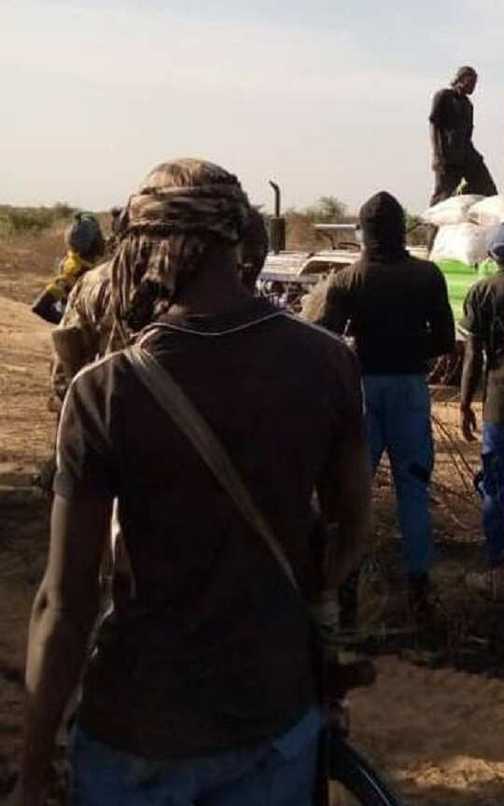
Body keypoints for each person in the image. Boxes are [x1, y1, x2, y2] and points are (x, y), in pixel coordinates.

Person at [13, 158, 371, 806]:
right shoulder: (328, 362)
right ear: (238, 240)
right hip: (275, 725)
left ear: (142, 247)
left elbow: (64, 602)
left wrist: (33, 770)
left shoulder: (105, 392)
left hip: (139, 733)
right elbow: (351, 533)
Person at [310, 192, 455, 614]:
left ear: (363, 234)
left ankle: (346, 585)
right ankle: (420, 588)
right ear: (400, 231)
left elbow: (324, 340)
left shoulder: (347, 280)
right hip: (409, 388)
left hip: (362, 391)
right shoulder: (428, 276)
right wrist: (410, 348)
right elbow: (445, 340)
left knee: (353, 491)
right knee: (413, 488)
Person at [50, 208, 269, 410]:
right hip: (173, 415)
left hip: (110, 407)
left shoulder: (93, 281)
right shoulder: (197, 283)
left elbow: (64, 367)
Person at [458, 223, 504, 597]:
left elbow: (473, 353)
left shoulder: (481, 291)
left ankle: (499, 567)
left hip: (499, 400)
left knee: (496, 486)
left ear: (491, 256)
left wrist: (466, 402)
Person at [430, 66, 498, 204]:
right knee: (442, 195)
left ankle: (462, 195)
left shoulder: (468, 104)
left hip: (467, 154)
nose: (473, 86)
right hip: (448, 156)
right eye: (471, 81)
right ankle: (428, 224)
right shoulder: (444, 96)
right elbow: (434, 125)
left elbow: (468, 134)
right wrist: (437, 155)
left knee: (488, 188)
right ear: (461, 79)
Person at [30, 212, 107, 324]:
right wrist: (70, 323)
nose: (103, 241)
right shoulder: (75, 270)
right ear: (92, 245)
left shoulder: (84, 261)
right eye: (99, 237)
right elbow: (40, 306)